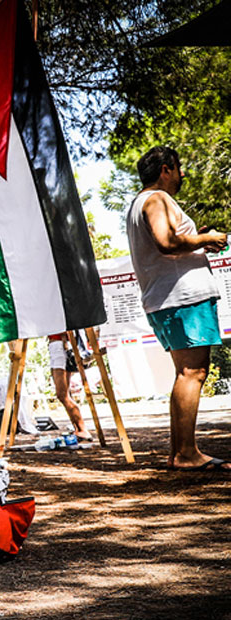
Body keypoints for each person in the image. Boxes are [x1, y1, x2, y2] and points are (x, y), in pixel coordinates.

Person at [126, 146, 229, 472]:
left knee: (187, 372)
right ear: (165, 169)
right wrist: (207, 237)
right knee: (193, 372)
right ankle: (185, 453)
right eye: (178, 168)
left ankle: (181, 451)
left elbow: (168, 243)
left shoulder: (139, 204)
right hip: (181, 298)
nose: (182, 175)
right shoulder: (156, 199)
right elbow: (166, 242)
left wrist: (197, 240)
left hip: (167, 298)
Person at [46, 333, 90, 439]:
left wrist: (65, 342)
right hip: (57, 346)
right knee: (64, 394)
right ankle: (79, 429)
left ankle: (82, 429)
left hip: (60, 346)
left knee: (62, 395)